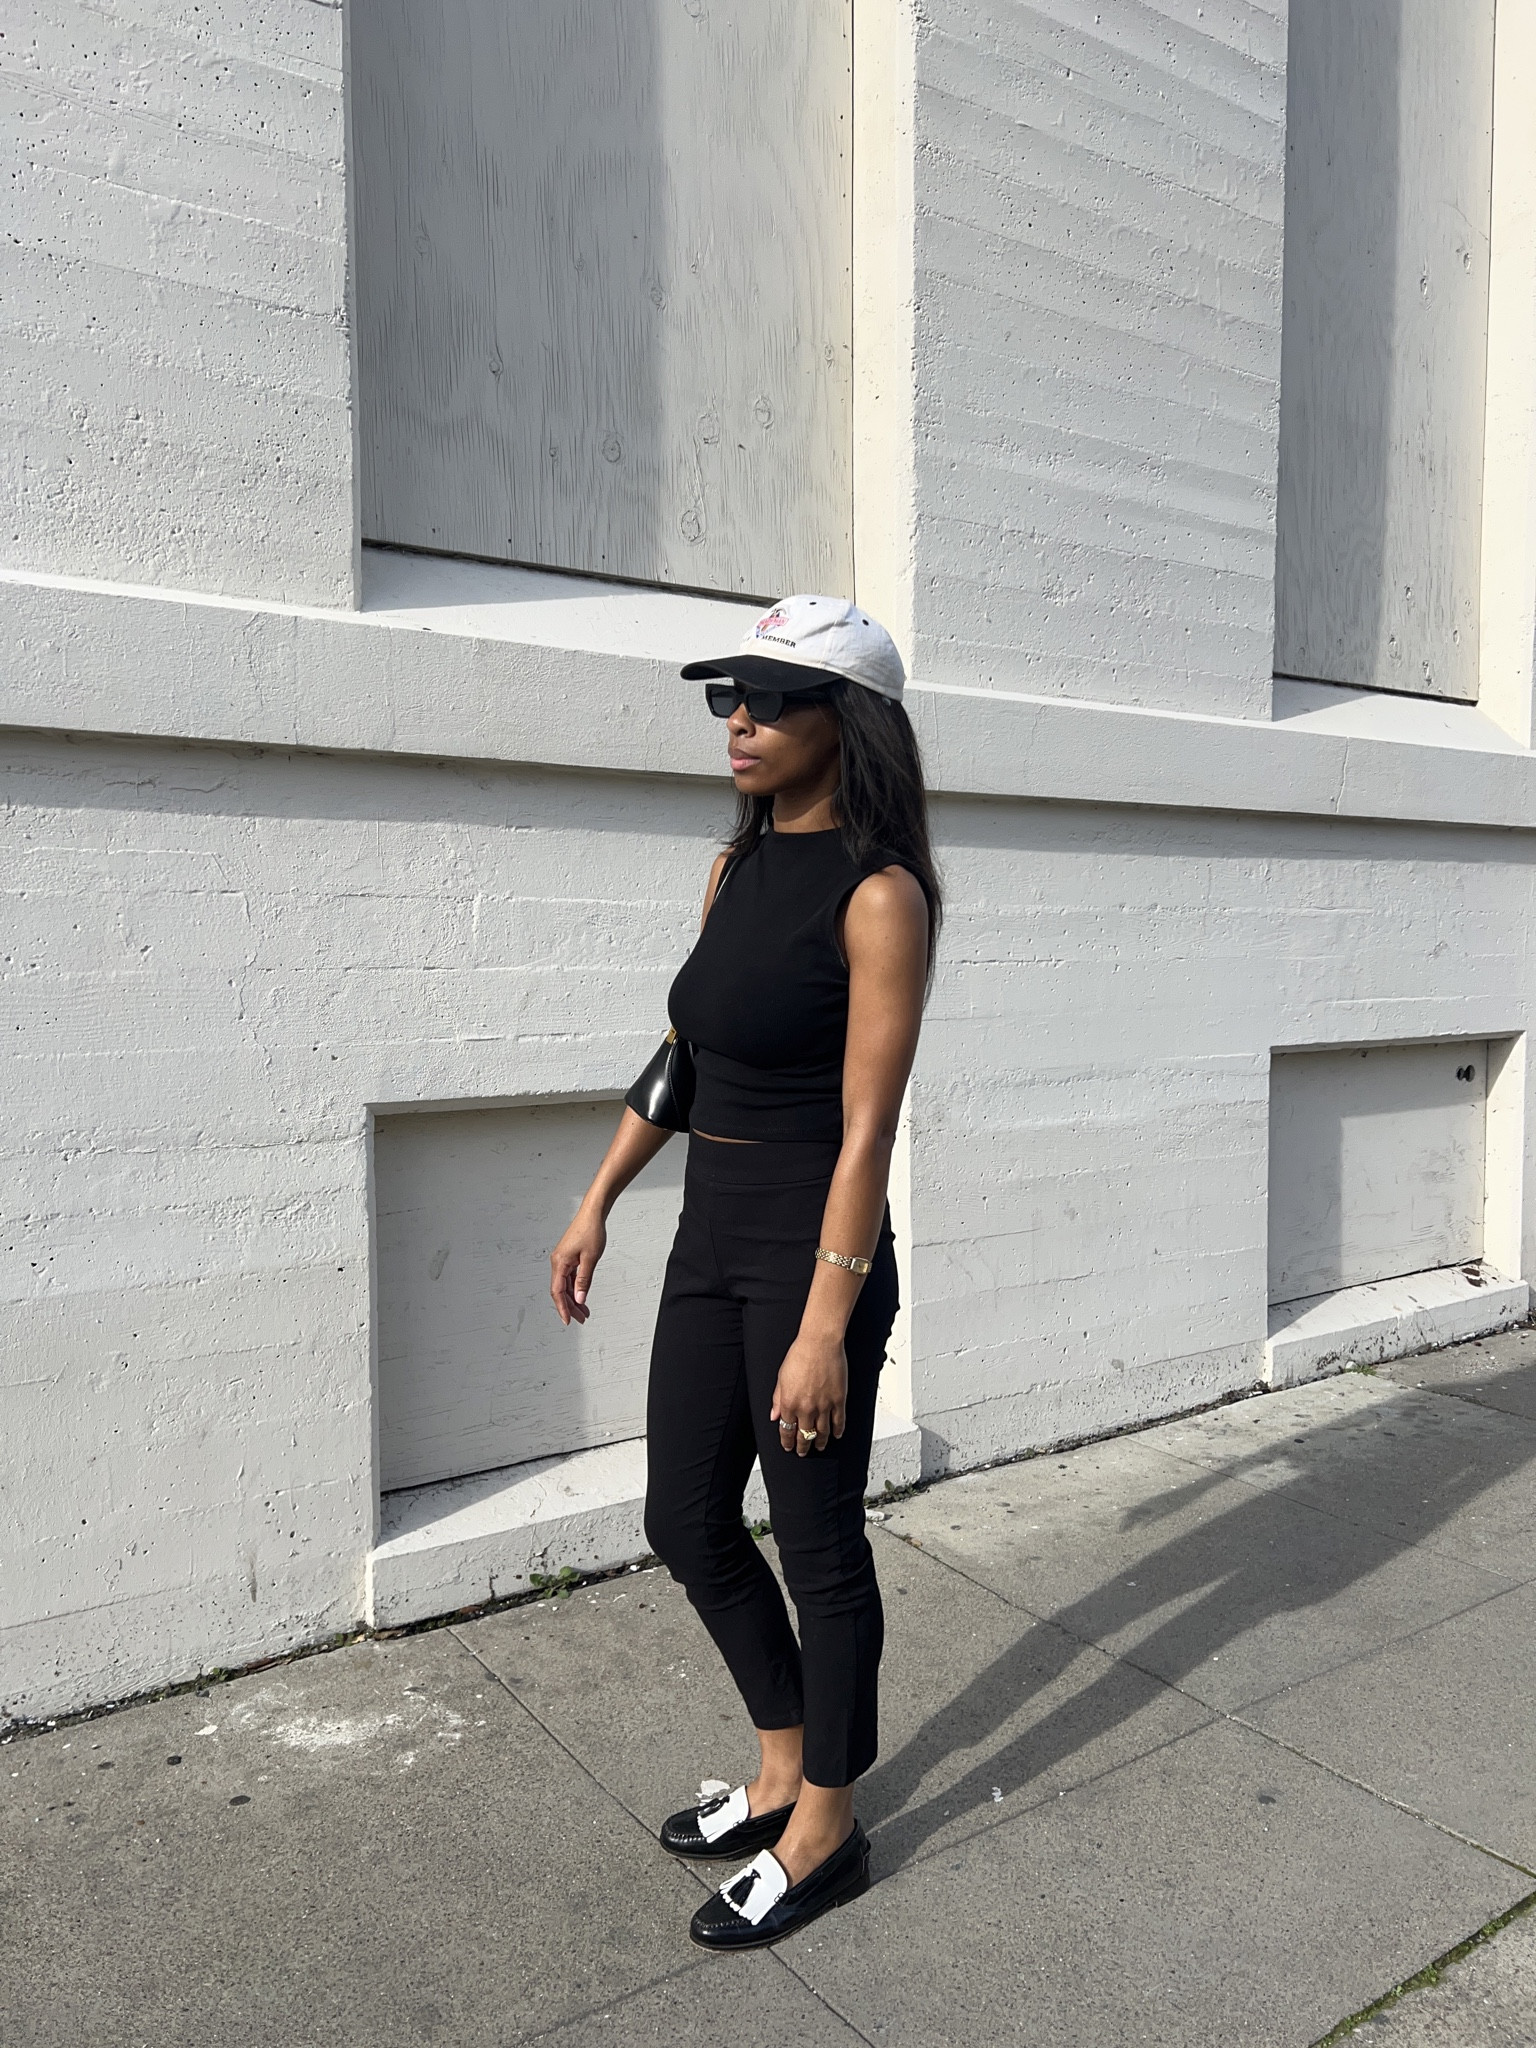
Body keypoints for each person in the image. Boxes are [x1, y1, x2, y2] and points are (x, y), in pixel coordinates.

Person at [549, 593, 940, 1951]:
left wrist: (827, 1322)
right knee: (682, 1516)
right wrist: (600, 1194)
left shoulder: (881, 897)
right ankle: (780, 1763)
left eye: (771, 701)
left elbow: (868, 1129)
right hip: (711, 1232)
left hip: (810, 1244)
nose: (740, 721)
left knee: (818, 1544)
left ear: (851, 725)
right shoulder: (733, 871)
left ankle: (826, 1823)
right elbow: (685, 1054)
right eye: (731, 699)